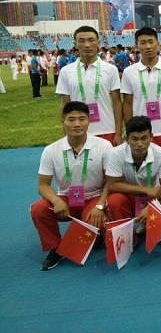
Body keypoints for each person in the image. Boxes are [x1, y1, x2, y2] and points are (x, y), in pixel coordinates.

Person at [29, 101, 113, 270]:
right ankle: (55, 248)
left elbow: (111, 182)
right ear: (63, 121)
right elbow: (43, 185)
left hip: (93, 197)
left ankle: (98, 233)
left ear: (89, 121)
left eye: (82, 119)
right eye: (71, 119)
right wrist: (56, 200)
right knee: (38, 209)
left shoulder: (104, 146)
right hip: (65, 199)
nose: (77, 124)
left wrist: (100, 206)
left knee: (94, 220)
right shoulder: (51, 150)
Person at [121, 27, 161, 161]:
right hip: (140, 133)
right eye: (143, 43)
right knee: (143, 168)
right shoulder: (129, 72)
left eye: (151, 42)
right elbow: (127, 103)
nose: (148, 46)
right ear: (137, 46)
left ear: (158, 44)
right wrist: (129, 129)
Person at [56, 26, 123, 146]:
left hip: (107, 129)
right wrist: (66, 131)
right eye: (81, 41)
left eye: (91, 40)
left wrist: (118, 132)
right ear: (75, 44)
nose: (87, 45)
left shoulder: (111, 70)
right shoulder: (66, 71)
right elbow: (64, 104)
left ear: (98, 42)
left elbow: (117, 103)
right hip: (78, 131)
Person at [105, 115, 161, 224]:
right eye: (135, 139)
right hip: (129, 195)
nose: (139, 144)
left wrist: (152, 206)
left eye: (144, 138)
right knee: (114, 200)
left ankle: (150, 228)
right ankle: (125, 230)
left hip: (153, 196)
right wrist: (145, 189)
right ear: (127, 139)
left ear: (151, 137)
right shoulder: (115, 153)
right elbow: (112, 185)